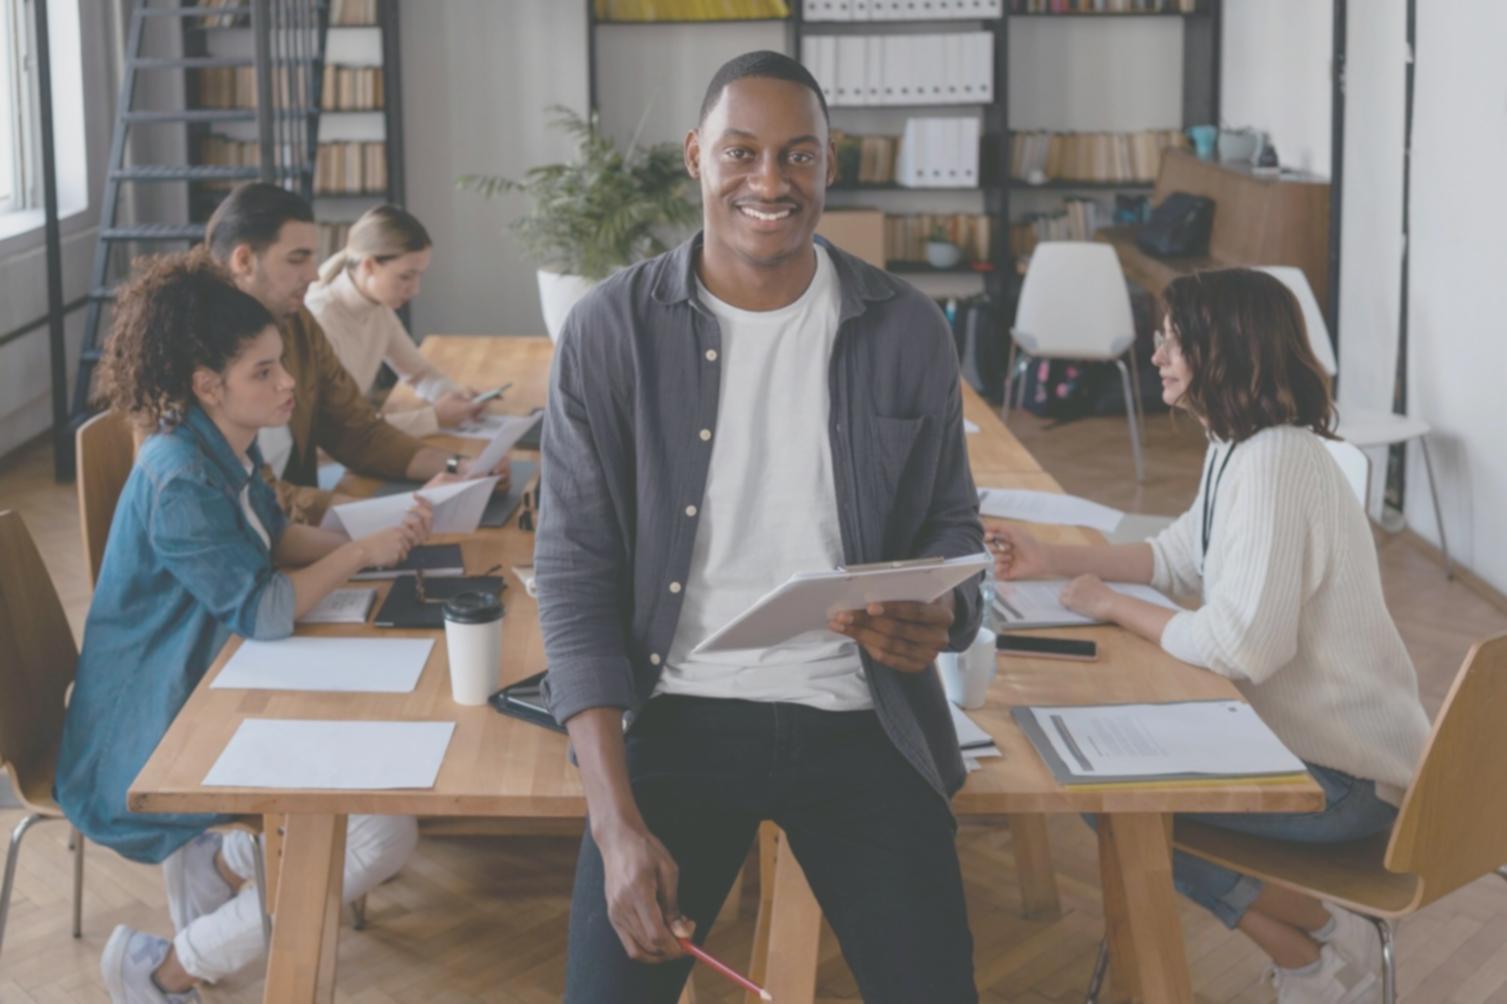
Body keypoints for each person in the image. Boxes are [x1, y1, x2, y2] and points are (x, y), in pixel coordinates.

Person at [536, 51, 985, 1003]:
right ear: (696, 155)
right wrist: (615, 826)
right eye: (740, 152)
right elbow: (575, 579)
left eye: (799, 156)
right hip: (677, 715)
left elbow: (951, 527)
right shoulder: (608, 332)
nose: (769, 182)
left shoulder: (906, 327)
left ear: (832, 164)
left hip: (861, 717)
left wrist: (944, 613)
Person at [987, 268, 1431, 1003]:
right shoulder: (1240, 446)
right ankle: (1315, 950)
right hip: (1299, 751)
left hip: (1346, 781)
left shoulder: (1276, 463)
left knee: (1111, 798)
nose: (1157, 356)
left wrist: (1112, 605)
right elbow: (1176, 557)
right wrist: (1053, 559)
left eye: (1173, 341)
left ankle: (1316, 940)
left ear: (1223, 349)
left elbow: (1237, 649)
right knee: (1102, 789)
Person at [54, 252, 431, 1003]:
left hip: (215, 683)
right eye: (264, 372)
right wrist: (359, 551)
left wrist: (380, 548)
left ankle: (217, 868)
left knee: (379, 811)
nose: (286, 382)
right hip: (157, 727)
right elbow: (263, 610)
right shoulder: (180, 475)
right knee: (382, 833)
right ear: (207, 385)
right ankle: (162, 971)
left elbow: (274, 538)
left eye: (279, 364)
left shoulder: (218, 440)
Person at [203, 183, 506, 525]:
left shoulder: (298, 322)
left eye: (313, 258)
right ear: (243, 260)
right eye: (297, 259)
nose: (314, 274)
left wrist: (458, 467)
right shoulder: (197, 354)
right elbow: (256, 497)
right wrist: (391, 512)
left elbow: (356, 429)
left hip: (295, 537)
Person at [306, 204, 487, 436]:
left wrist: (451, 396)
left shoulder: (377, 306)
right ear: (369, 265)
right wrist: (433, 418)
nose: (415, 290)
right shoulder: (321, 320)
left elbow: (419, 372)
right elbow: (334, 432)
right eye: (405, 276)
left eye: (419, 276)